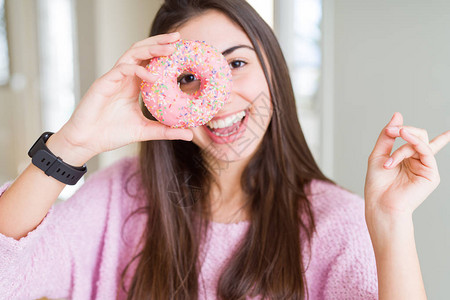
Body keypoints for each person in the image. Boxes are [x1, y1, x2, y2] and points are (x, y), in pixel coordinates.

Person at [0, 0, 448, 299]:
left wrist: (390, 224)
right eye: (188, 78)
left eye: (236, 63)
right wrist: (74, 143)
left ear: (274, 71)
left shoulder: (334, 223)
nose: (218, 97)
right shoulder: (121, 197)